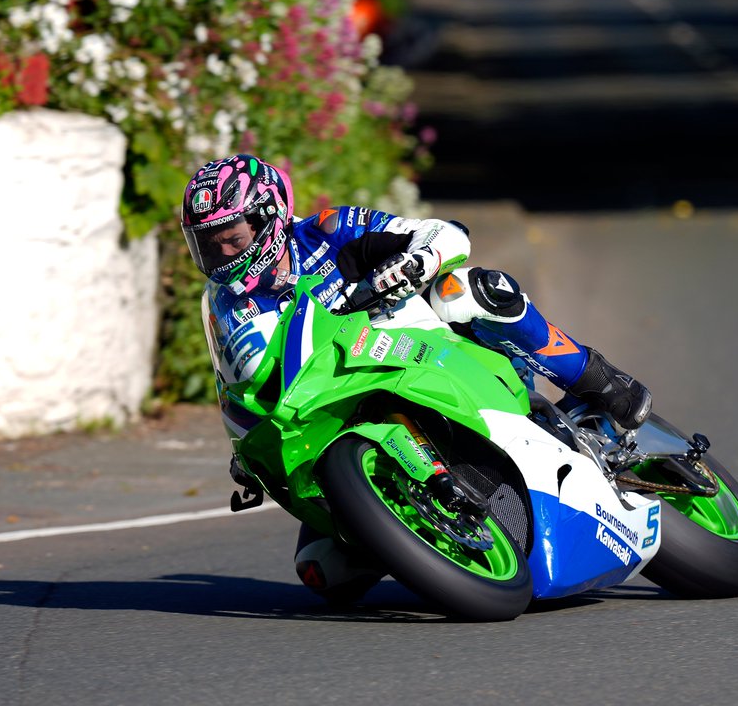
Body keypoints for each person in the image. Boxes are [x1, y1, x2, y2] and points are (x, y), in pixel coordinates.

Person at [183, 153, 651, 599]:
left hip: (416, 345)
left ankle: (598, 381)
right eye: (209, 243)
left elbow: (445, 234)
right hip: (333, 401)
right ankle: (416, 526)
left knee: (470, 289)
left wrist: (418, 260)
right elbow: (237, 386)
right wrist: (246, 445)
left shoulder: (328, 231)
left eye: (233, 238)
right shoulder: (228, 306)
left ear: (269, 218)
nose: (222, 253)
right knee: (323, 573)